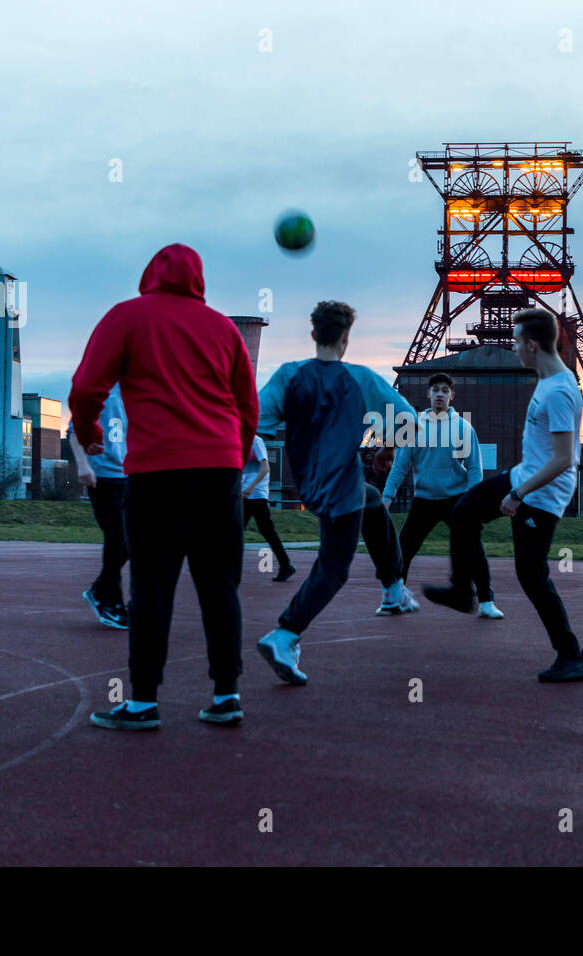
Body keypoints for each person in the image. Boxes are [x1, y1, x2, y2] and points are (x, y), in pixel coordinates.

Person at [70, 243, 259, 728]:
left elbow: (88, 386)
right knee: (220, 584)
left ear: (150, 274)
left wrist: (89, 433)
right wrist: (233, 459)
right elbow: (246, 405)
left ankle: (143, 702)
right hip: (219, 472)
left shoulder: (127, 317)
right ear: (199, 278)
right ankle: (225, 693)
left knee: (153, 583)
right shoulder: (223, 328)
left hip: (156, 472)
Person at [424, 308, 583, 682]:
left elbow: (564, 459)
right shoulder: (546, 381)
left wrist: (518, 493)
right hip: (523, 477)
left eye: (517, 342)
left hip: (542, 493)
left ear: (532, 345)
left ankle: (572, 655)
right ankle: (461, 590)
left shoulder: (562, 391)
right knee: (465, 511)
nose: (514, 348)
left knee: (531, 577)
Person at [254, 300, 417, 685]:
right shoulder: (360, 378)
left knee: (374, 501)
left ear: (314, 335)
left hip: (310, 482)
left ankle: (393, 588)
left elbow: (252, 420)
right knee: (333, 569)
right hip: (341, 483)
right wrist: (389, 447)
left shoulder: (288, 376)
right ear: (346, 337)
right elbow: (408, 419)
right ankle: (285, 633)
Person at [380, 372, 501, 618]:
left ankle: (487, 602)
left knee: (473, 549)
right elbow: (400, 466)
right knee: (404, 549)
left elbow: (475, 467)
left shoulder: (463, 428)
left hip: (457, 499)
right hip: (424, 499)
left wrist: (473, 500)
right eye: (435, 390)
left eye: (445, 391)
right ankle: (394, 598)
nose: (439, 395)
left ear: (451, 396)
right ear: (428, 394)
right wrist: (387, 497)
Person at [69, 382, 130, 629]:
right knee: (116, 538)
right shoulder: (102, 391)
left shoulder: (141, 392)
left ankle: (100, 589)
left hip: (131, 475)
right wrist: (83, 465)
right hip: (102, 476)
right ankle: (112, 603)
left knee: (131, 541)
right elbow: (74, 430)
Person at [243, 434, 296, 582]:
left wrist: (250, 487)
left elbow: (265, 468)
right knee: (241, 531)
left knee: (266, 532)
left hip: (256, 495)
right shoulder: (240, 440)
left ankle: (286, 565)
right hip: (245, 495)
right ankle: (286, 565)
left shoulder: (256, 441)